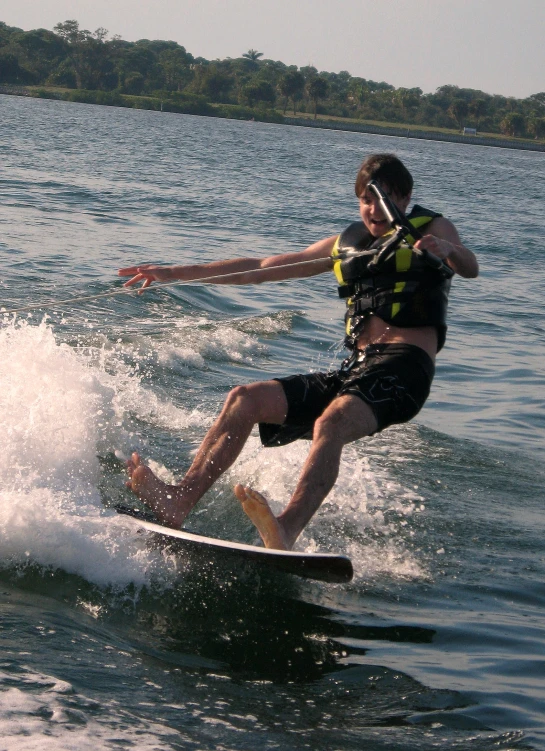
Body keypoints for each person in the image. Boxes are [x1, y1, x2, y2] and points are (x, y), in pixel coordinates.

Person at [118, 153, 478, 551]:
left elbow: (469, 265)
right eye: (366, 200)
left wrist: (447, 248)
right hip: (357, 369)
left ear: (406, 199)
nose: (374, 208)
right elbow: (261, 266)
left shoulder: (434, 229)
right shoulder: (345, 245)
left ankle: (286, 530)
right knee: (244, 400)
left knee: (332, 423)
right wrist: (174, 273)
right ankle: (179, 499)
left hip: (406, 371)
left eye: (385, 198)